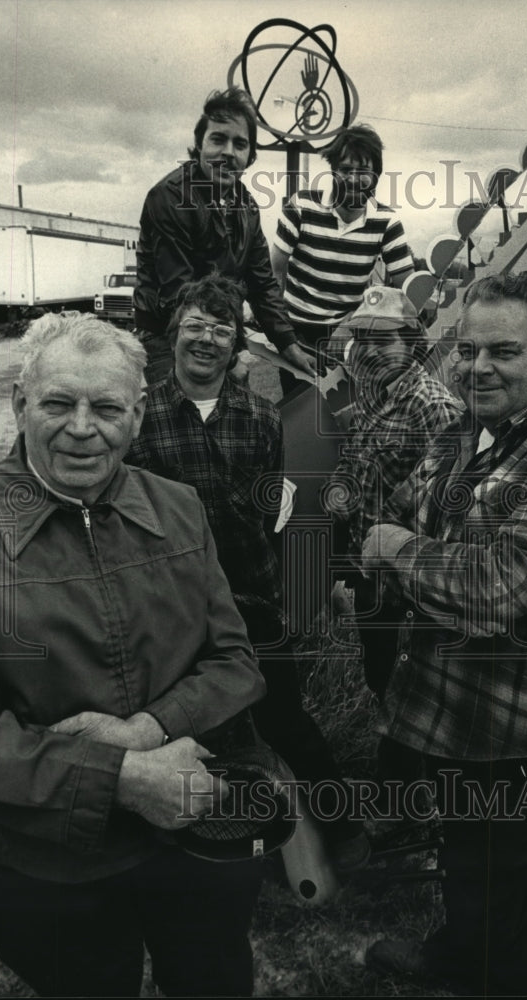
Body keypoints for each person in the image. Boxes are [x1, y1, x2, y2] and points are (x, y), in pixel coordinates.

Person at [0, 312, 267, 998]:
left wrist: (144, 732)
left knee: (215, 978)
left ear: (136, 417)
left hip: (191, 839)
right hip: (50, 870)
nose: (80, 427)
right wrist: (124, 777)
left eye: (105, 407)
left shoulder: (180, 507)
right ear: (19, 405)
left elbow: (235, 664)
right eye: (56, 403)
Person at [362, 274, 527, 995]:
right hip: (440, 704)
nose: (478, 366)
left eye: (504, 351)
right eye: (467, 350)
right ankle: (455, 955)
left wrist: (390, 550)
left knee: (500, 879)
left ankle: (500, 977)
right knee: (463, 859)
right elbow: (408, 507)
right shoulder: (463, 432)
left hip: (511, 727)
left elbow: (500, 588)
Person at [126, 273, 370, 871]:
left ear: (237, 342)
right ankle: (198, 843)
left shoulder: (262, 419)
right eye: (195, 326)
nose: (207, 338)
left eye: (222, 327)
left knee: (286, 720)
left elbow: (274, 519)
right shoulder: (139, 418)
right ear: (174, 333)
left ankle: (342, 829)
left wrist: (290, 593)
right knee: (181, 728)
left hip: (253, 604)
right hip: (169, 610)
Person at [325, 286, 461, 791]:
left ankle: (417, 790)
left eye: (385, 339)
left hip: (410, 581)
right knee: (381, 672)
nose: (372, 349)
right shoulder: (373, 397)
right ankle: (406, 783)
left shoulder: (433, 406)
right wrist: (341, 492)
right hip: (370, 573)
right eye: (362, 338)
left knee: (414, 686)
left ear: (411, 342)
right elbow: (354, 464)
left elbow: (451, 502)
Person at [134, 86, 315, 385]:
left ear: (250, 156)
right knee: (183, 421)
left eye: (240, 144)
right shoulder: (168, 197)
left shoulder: (247, 206)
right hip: (166, 335)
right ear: (199, 144)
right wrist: (228, 361)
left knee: (234, 416)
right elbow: (179, 295)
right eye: (218, 139)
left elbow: (263, 284)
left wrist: (288, 344)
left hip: (218, 331)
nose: (228, 152)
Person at [271, 124, 415, 395]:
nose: (353, 179)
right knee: (299, 409)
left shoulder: (387, 222)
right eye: (345, 169)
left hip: (348, 333)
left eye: (363, 171)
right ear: (332, 171)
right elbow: (275, 274)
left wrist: (354, 324)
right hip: (296, 330)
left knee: (344, 412)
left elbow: (405, 291)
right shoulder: (301, 206)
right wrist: (284, 337)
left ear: (376, 175)